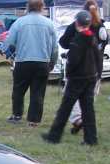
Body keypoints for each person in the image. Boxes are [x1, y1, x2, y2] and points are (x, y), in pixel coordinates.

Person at [42, 10, 99, 145]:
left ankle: (53, 136)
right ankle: (91, 139)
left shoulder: (78, 40)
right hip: (90, 76)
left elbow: (73, 60)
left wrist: (69, 73)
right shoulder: (93, 38)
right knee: (88, 109)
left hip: (77, 78)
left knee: (65, 108)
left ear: (77, 23)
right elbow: (97, 57)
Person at [3, 0, 58, 127]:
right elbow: (55, 47)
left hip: (23, 61)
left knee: (18, 90)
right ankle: (34, 120)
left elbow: (9, 41)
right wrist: (52, 62)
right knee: (38, 92)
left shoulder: (19, 22)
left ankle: (17, 115)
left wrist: (10, 51)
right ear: (42, 7)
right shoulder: (49, 24)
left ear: (28, 7)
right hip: (42, 62)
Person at [59, 0, 107, 134]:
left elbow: (63, 42)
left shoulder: (76, 26)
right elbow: (104, 44)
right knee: (88, 100)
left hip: (78, 69)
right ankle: (85, 123)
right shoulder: (101, 27)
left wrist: (73, 44)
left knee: (71, 97)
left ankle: (78, 120)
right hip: (95, 68)